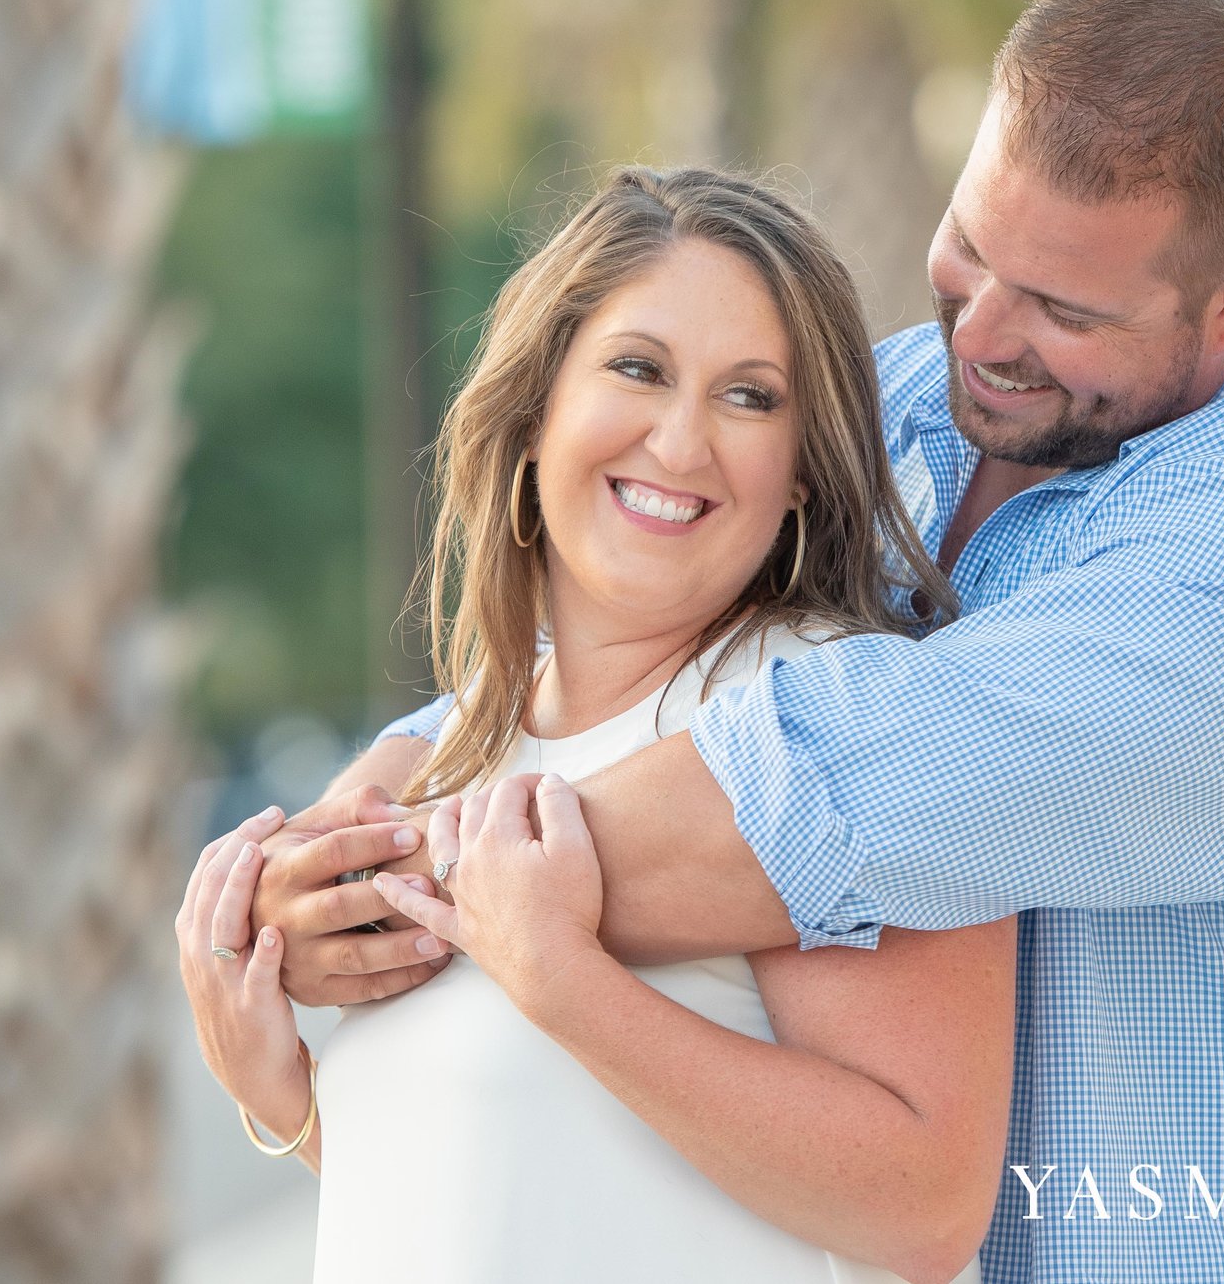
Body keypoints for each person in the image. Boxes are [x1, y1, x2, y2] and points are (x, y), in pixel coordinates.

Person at [256, 0, 1224, 1282]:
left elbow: (868, 774)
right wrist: (308, 861)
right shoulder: (912, 402)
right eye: (973, 246)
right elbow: (600, 669)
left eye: (1067, 309)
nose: (985, 331)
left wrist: (381, 888)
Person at [175, 168, 1014, 1284]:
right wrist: (276, 1092)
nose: (678, 443)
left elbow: (923, 1208)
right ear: (532, 415)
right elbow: (513, 1192)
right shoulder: (450, 748)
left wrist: (566, 983)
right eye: (637, 368)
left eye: (750, 396)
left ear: (802, 475)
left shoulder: (821, 720)